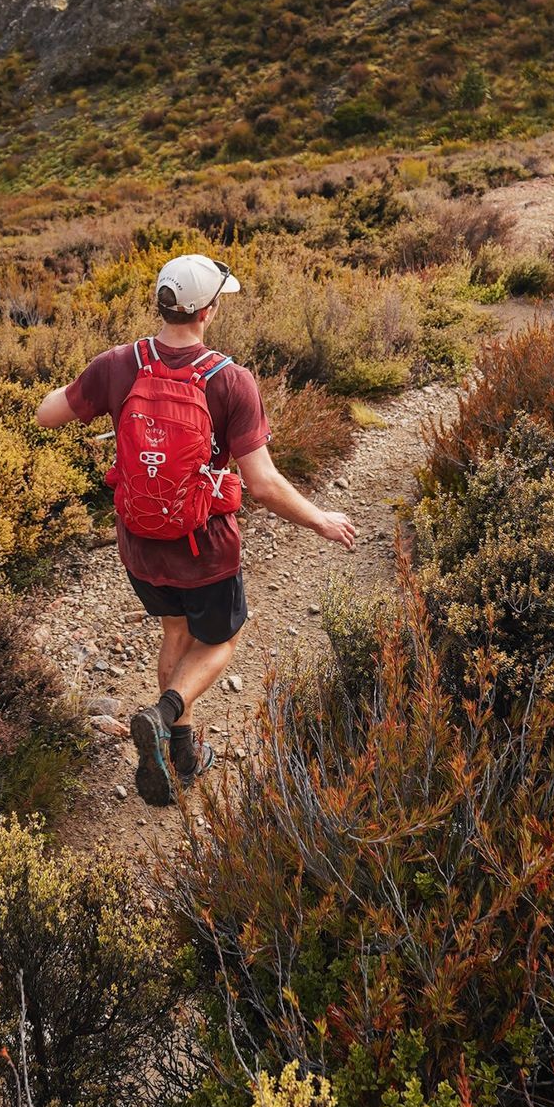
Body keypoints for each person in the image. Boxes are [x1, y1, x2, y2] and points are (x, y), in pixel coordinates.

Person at [35, 251, 357, 805]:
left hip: (140, 544)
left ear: (161, 303)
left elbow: (47, 413)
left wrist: (124, 428)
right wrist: (320, 520)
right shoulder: (230, 380)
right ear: (206, 311)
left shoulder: (118, 364)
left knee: (174, 633)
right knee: (221, 639)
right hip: (201, 546)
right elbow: (262, 484)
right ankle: (163, 716)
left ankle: (178, 752)